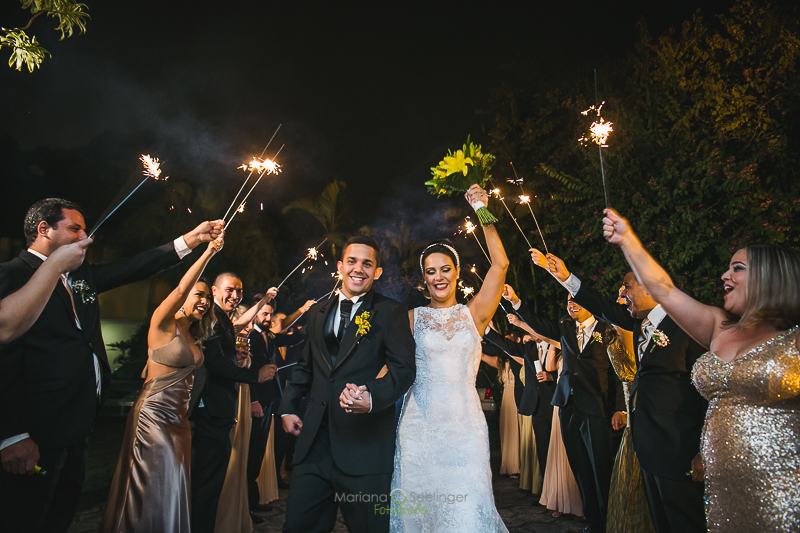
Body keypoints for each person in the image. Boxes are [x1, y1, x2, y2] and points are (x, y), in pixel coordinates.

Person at [0, 198, 223, 533]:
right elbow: (6, 357)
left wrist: (191, 240)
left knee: (59, 517)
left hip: (77, 424)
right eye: (74, 228)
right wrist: (11, 434)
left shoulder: (81, 276)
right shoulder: (12, 274)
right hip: (34, 428)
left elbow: (135, 266)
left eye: (85, 228)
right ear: (43, 229)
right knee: (25, 518)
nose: (84, 236)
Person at [602, 208, 800, 532]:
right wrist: (627, 241)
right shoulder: (718, 327)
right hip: (722, 489)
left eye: (738, 268)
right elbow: (664, 291)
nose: (725, 276)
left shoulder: (793, 341)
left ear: (770, 276)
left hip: (779, 488)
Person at [536, 248, 703, 533]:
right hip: (648, 448)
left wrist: (701, 448)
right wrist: (565, 277)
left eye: (627, 286)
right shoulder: (640, 323)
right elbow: (602, 305)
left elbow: (705, 392)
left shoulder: (687, 324)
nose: (622, 293)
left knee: (686, 522)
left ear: (651, 286)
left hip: (679, 450)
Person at [390, 184, 509, 532]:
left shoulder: (476, 314)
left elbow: (500, 264)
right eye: (430, 271)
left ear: (456, 271)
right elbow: (392, 365)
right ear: (424, 279)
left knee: (468, 506)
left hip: (464, 426)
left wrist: (482, 210)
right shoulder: (413, 318)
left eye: (444, 269)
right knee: (421, 508)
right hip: (419, 423)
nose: (438, 277)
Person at [280, 235, 416, 533]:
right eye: (352, 262)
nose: (359, 269)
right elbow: (306, 368)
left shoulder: (390, 311)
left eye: (368, 264)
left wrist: (373, 397)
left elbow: (404, 370)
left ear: (377, 272)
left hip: (365, 447)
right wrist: (288, 408)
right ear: (340, 267)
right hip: (314, 445)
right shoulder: (317, 311)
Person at [100, 234, 224, 532]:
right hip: (153, 417)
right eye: (200, 295)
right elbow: (182, 287)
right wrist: (208, 252)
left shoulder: (194, 334)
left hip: (180, 421)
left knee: (172, 483)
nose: (205, 302)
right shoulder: (162, 323)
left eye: (208, 297)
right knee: (150, 486)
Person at [511, 293, 624, 533]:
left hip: (596, 407)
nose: (571, 304)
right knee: (580, 468)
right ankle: (593, 522)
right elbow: (539, 325)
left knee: (600, 468)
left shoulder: (607, 329)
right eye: (568, 300)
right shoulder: (565, 327)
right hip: (567, 406)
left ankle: (607, 523)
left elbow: (617, 372)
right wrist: (517, 302)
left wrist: (619, 408)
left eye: (576, 299)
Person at [190, 273, 280, 533]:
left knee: (213, 482)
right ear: (215, 291)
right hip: (210, 409)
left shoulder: (222, 318)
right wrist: (255, 375)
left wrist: (235, 355)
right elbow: (215, 365)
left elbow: (225, 352)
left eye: (239, 291)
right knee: (207, 484)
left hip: (219, 410)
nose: (235, 295)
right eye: (230, 290)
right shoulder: (212, 318)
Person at [246, 298, 310, 513]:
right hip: (258, 401)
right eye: (264, 314)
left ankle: (254, 500)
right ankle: (248, 504)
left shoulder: (270, 336)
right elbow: (246, 370)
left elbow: (293, 339)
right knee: (253, 449)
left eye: (270, 315)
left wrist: (318, 315)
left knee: (262, 448)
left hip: (273, 398)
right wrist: (254, 399)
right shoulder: (250, 336)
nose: (268, 318)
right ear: (254, 314)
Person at [0, 238, 91, 344]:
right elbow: (4, 329)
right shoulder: (10, 271)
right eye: (74, 229)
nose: (83, 235)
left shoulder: (80, 273)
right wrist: (56, 263)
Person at [538, 342, 584, 519]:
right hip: (560, 403)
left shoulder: (576, 348)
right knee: (557, 451)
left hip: (573, 400)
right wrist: (552, 345)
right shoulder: (561, 351)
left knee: (570, 454)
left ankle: (577, 505)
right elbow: (550, 367)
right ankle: (561, 502)